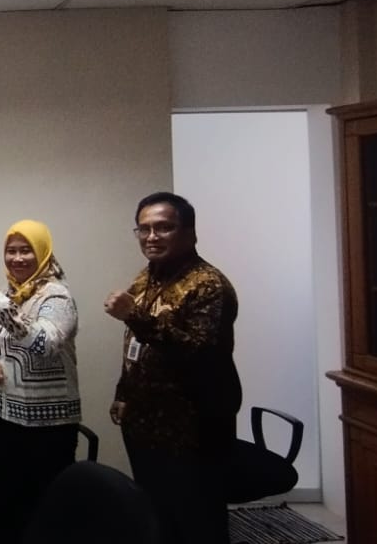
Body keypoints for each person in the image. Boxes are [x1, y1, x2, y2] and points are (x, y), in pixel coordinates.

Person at [107, 192, 240, 544]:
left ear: (189, 233)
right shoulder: (147, 277)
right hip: (144, 422)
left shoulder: (207, 285)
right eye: (144, 229)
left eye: (164, 228)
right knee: (157, 518)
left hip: (192, 427)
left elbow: (198, 353)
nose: (152, 237)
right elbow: (136, 348)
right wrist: (123, 393)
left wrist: (135, 316)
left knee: (198, 522)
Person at [0, 219, 80, 536]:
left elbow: (43, 344)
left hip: (46, 429)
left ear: (42, 253)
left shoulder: (56, 297)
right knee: (5, 507)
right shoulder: (10, 294)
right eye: (11, 251)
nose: (17, 258)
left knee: (41, 511)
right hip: (3, 419)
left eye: (26, 251)